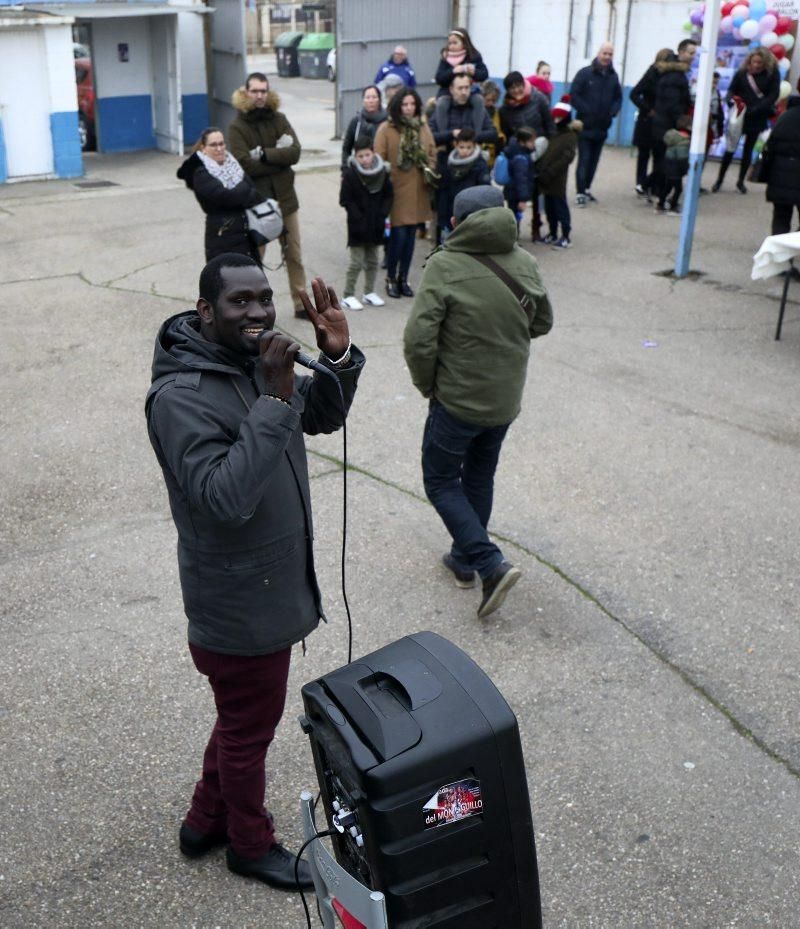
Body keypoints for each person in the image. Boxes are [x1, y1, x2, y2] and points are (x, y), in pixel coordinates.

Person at [145, 253, 364, 892]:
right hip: (238, 604)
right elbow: (224, 498)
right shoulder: (180, 396)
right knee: (248, 731)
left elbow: (321, 415)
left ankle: (203, 820)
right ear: (205, 311)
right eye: (240, 302)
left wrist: (340, 354)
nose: (259, 313)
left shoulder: (250, 364)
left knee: (240, 719)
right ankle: (249, 842)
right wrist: (273, 396)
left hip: (269, 590)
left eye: (264, 299)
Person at [403, 186, 553, 618]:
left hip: (458, 400)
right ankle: (464, 559)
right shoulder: (523, 260)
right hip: (505, 399)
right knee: (480, 475)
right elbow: (542, 321)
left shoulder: (445, 266)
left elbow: (418, 340)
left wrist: (428, 384)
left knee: (440, 480)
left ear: (456, 223)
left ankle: (487, 563)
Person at [227, 72, 307, 319]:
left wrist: (262, 155)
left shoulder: (279, 119)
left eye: (264, 90)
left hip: (286, 200)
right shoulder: (237, 126)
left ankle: (302, 304)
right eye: (255, 91)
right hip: (258, 204)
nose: (260, 95)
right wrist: (277, 159)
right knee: (254, 260)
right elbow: (244, 164)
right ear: (246, 92)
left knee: (294, 254)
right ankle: (251, 308)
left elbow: (294, 152)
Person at [373, 87, 437, 299]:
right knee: (398, 238)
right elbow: (378, 159)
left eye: (412, 104)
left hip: (418, 190)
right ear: (398, 106)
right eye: (405, 104)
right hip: (396, 191)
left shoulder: (422, 127)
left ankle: (403, 278)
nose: (409, 109)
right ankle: (390, 278)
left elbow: (431, 153)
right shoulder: (386, 128)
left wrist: (428, 167)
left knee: (410, 239)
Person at [177, 127, 262, 263]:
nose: (219, 148)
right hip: (222, 238)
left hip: (245, 236)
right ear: (203, 148)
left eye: (221, 143)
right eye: (213, 145)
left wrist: (239, 193)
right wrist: (242, 191)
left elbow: (253, 192)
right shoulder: (201, 173)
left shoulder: (233, 165)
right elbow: (226, 197)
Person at [712, 47, 780, 194]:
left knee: (748, 150)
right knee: (730, 149)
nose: (756, 65)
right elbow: (731, 90)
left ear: (765, 62)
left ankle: (740, 181)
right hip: (739, 115)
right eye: (754, 61)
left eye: (759, 63)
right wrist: (732, 101)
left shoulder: (771, 74)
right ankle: (719, 179)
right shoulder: (743, 72)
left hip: (757, 116)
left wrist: (758, 108)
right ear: (749, 60)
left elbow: (773, 95)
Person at [339, 135, 393, 308]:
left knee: (373, 261)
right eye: (360, 156)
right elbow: (345, 199)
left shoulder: (382, 172)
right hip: (357, 225)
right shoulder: (350, 174)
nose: (364, 159)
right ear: (355, 157)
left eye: (367, 155)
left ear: (373, 153)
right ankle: (348, 295)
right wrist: (357, 217)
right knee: (356, 262)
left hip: (376, 224)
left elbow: (388, 195)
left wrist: (383, 213)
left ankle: (369, 292)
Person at [570, 43, 622, 207]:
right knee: (584, 159)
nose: (607, 57)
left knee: (594, 161)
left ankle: (586, 188)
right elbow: (574, 95)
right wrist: (586, 110)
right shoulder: (585, 73)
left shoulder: (614, 76)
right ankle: (579, 192)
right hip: (585, 126)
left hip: (602, 127)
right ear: (598, 53)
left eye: (610, 54)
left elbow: (618, 98)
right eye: (604, 53)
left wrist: (612, 111)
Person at [650, 39, 696, 208]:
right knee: (669, 165)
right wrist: (685, 123)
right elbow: (673, 104)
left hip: (664, 124)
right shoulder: (675, 76)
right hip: (667, 126)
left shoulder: (674, 74)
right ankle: (660, 195)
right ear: (681, 53)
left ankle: (658, 192)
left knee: (665, 163)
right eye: (690, 53)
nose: (693, 57)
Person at [535, 97, 581, 249]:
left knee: (560, 207)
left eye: (560, 117)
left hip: (557, 179)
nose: (556, 120)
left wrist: (550, 171)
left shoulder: (570, 136)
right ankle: (553, 233)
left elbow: (567, 157)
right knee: (549, 208)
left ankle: (566, 235)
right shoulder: (552, 133)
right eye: (555, 116)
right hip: (545, 179)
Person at [629, 48, 673, 199]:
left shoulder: (670, 77)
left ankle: (654, 186)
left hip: (662, 123)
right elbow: (634, 94)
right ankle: (641, 184)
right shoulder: (650, 75)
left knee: (659, 155)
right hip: (647, 121)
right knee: (644, 154)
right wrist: (648, 109)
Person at [436, 127, 491, 242]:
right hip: (449, 213)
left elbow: (485, 192)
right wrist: (441, 217)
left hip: (471, 217)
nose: (465, 151)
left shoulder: (480, 165)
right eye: (461, 147)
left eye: (468, 147)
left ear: (475, 146)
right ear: (455, 145)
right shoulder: (448, 164)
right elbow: (443, 192)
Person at [763, 94, 800, 237]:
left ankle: (780, 253)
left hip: (780, 178)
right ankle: (792, 244)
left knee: (780, 218)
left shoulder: (784, 118)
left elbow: (770, 148)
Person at [340, 85, 387, 171]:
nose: (371, 101)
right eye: (367, 97)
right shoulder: (356, 122)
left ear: (379, 100)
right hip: (359, 169)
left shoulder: (387, 121)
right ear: (363, 100)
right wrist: (345, 168)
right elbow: (346, 148)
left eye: (374, 97)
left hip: (381, 169)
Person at [499, 71, 554, 140]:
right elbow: (507, 134)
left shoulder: (539, 98)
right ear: (508, 91)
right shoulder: (504, 110)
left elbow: (550, 124)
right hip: (519, 147)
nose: (516, 90)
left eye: (519, 85)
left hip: (541, 143)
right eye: (512, 88)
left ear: (523, 84)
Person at [501, 126, 537, 232]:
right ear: (522, 142)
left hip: (512, 191)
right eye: (531, 142)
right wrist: (523, 199)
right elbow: (521, 179)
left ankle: (513, 238)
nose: (533, 144)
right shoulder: (520, 158)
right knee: (515, 218)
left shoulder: (516, 151)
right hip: (516, 193)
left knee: (514, 216)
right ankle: (513, 240)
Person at [434, 29, 488, 98]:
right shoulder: (446, 57)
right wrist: (453, 71)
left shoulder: (473, 56)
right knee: (442, 102)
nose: (452, 46)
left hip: (470, 91)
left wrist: (474, 72)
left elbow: (484, 74)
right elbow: (439, 79)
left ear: (464, 43)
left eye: (455, 43)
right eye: (450, 43)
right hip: (448, 92)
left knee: (478, 100)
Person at [656, 114, 691, 215]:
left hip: (669, 166)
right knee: (678, 189)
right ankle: (672, 205)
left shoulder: (673, 137)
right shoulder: (683, 142)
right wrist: (686, 169)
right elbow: (682, 159)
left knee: (668, 187)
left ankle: (661, 204)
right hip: (676, 169)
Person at [480, 80, 506, 167]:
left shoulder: (495, 111)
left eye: (493, 100)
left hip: (492, 155)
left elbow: (498, 129)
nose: (490, 103)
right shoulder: (475, 111)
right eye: (488, 100)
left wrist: (501, 139)